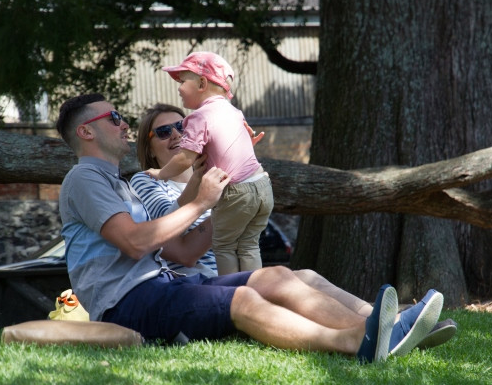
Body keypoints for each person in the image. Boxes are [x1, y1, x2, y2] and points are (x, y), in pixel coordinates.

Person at [56, 93, 446, 363]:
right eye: (113, 118)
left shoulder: (117, 183)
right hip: (126, 305)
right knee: (243, 301)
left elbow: (172, 248)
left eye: (121, 115)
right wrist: (202, 204)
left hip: (164, 285)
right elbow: (133, 242)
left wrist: (214, 177)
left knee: (274, 276)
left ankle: (386, 329)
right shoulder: (85, 179)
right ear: (86, 132)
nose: (123, 123)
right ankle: (354, 341)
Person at [144, 51, 274, 275]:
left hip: (236, 191)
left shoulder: (199, 117)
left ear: (202, 83)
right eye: (164, 132)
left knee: (224, 246)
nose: (178, 88)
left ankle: (232, 294)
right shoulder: (234, 112)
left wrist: (160, 173)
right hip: (262, 185)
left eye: (183, 81)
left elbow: (185, 159)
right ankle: (256, 290)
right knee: (248, 245)